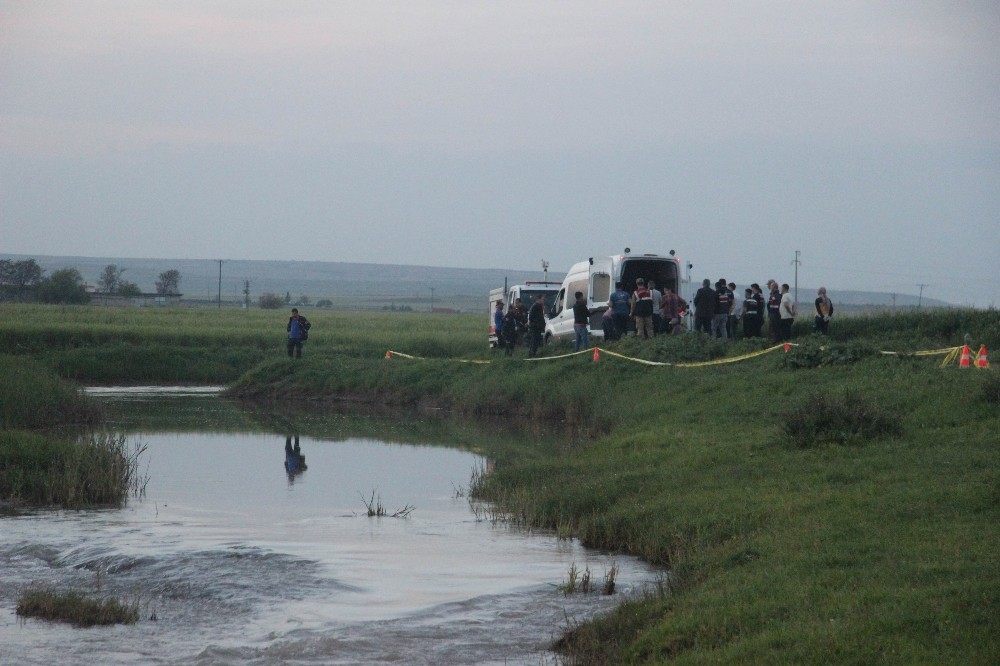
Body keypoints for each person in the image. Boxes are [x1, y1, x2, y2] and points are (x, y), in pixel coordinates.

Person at [527, 292, 546, 357]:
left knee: (535, 341)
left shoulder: (538, 306)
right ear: (538, 299)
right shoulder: (536, 306)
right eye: (542, 299)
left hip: (536, 327)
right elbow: (533, 317)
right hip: (535, 327)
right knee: (534, 341)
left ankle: (532, 354)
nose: (543, 301)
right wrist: (537, 324)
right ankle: (532, 354)